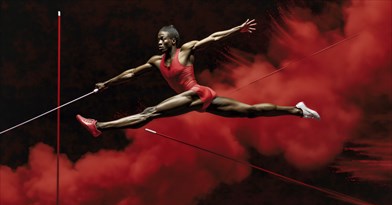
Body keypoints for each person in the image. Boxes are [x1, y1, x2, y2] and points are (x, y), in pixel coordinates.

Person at [76, 19, 320, 137]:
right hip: (201, 99)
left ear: (173, 40)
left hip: (196, 93)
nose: (159, 41)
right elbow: (131, 73)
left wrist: (237, 29)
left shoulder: (187, 50)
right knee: (250, 112)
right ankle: (298, 111)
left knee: (150, 112)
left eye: (163, 38)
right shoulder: (155, 61)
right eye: (158, 39)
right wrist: (106, 84)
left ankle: (98, 127)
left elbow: (212, 38)